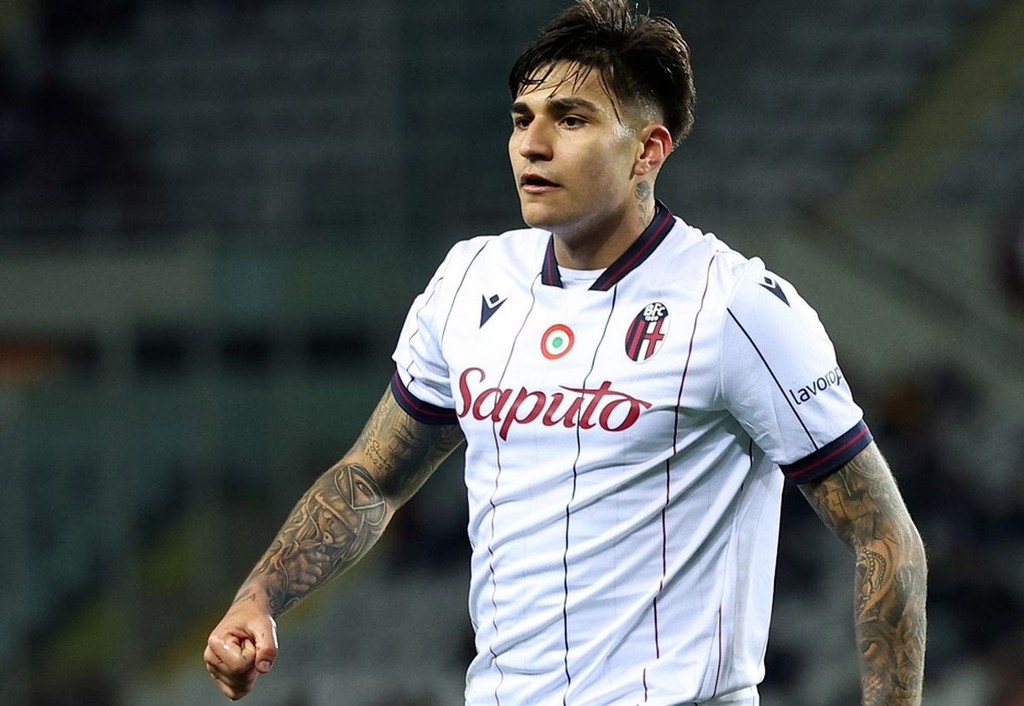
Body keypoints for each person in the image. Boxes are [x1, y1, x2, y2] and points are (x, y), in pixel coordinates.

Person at [204, 1, 928, 703]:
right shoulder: (471, 279)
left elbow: (882, 535)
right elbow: (371, 479)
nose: (533, 143)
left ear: (647, 150)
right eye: (522, 119)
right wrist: (259, 596)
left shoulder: (737, 307)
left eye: (571, 119)